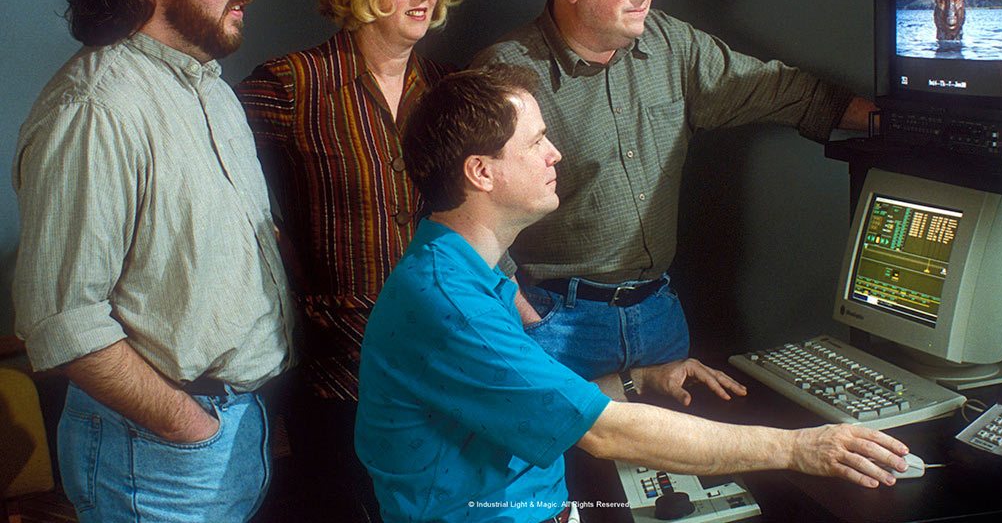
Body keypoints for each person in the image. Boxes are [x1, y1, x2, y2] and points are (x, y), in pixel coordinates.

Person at [354, 65, 910, 523]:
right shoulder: (451, 302)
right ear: (481, 172)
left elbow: (533, 402)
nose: (555, 154)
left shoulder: (461, 270)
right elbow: (602, 432)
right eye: (537, 141)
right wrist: (797, 448)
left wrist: (637, 380)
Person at [473, 0, 876, 378]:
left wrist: (901, 122)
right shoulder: (506, 73)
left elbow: (780, 91)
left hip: (659, 320)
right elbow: (464, 214)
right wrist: (526, 317)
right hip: (557, 326)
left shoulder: (671, 45)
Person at [12, 0, 294, 523]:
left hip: (235, 433)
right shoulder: (94, 107)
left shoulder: (211, 89)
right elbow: (62, 321)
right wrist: (189, 426)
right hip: (156, 456)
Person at [236, 0, 463, 520]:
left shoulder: (448, 89)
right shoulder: (293, 83)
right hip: (340, 374)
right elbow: (213, 183)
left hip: (443, 363)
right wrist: (279, 254)